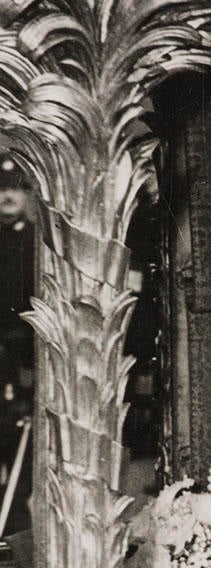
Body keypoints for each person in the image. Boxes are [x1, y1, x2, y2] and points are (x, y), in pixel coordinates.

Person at [0, 155, 34, 536]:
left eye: (15, 188)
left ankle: (14, 529)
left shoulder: (35, 241)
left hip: (23, 355)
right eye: (1, 188)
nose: (7, 195)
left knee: (20, 437)